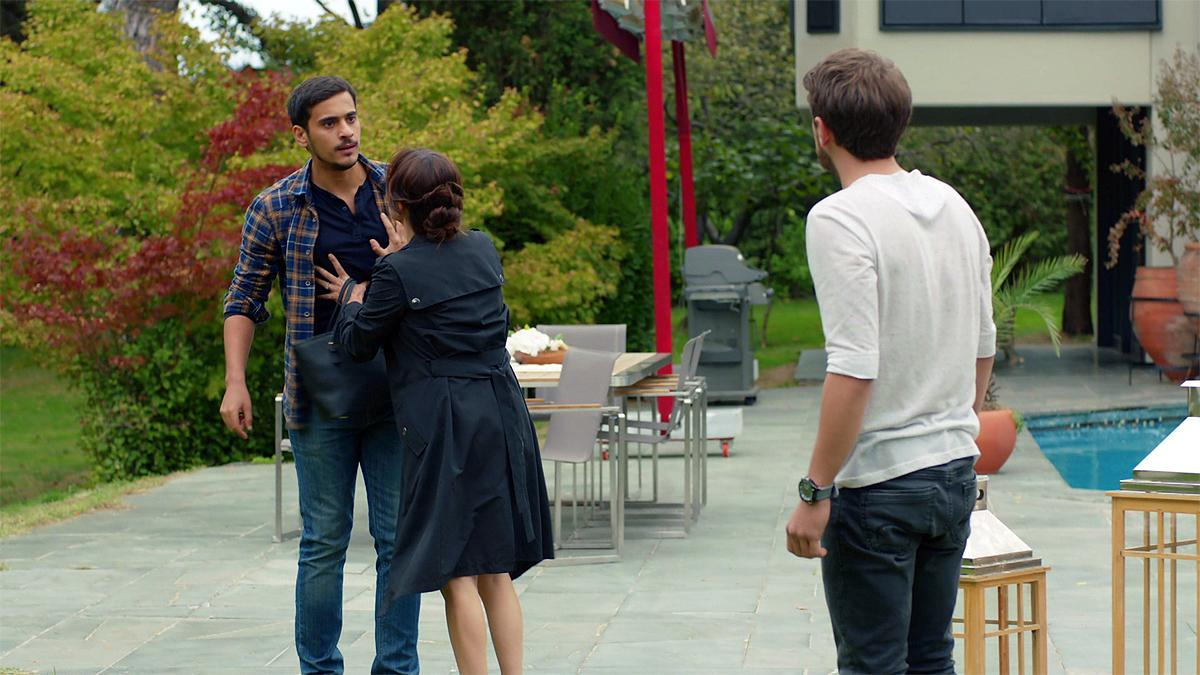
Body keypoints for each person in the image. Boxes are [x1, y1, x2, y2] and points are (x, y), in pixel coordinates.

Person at [784, 48, 996, 675]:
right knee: (931, 659)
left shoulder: (840, 217)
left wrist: (814, 489)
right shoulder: (955, 206)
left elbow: (854, 368)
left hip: (879, 488)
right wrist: (950, 430)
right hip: (952, 474)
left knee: (873, 665)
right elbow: (983, 346)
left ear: (822, 130)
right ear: (900, 123)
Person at [322, 147, 554, 675]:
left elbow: (358, 344)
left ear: (397, 205)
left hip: (447, 425)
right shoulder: (483, 248)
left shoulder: (396, 272)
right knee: (495, 569)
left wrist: (353, 297)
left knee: (458, 572)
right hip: (502, 413)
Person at [220, 76, 421, 675]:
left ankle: (397, 668)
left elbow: (443, 273)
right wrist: (235, 381)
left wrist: (400, 265)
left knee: (397, 539)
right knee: (324, 542)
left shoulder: (396, 190)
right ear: (301, 134)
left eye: (350, 118)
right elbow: (244, 298)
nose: (346, 132)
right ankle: (320, 669)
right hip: (318, 396)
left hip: (396, 389)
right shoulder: (275, 206)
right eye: (329, 123)